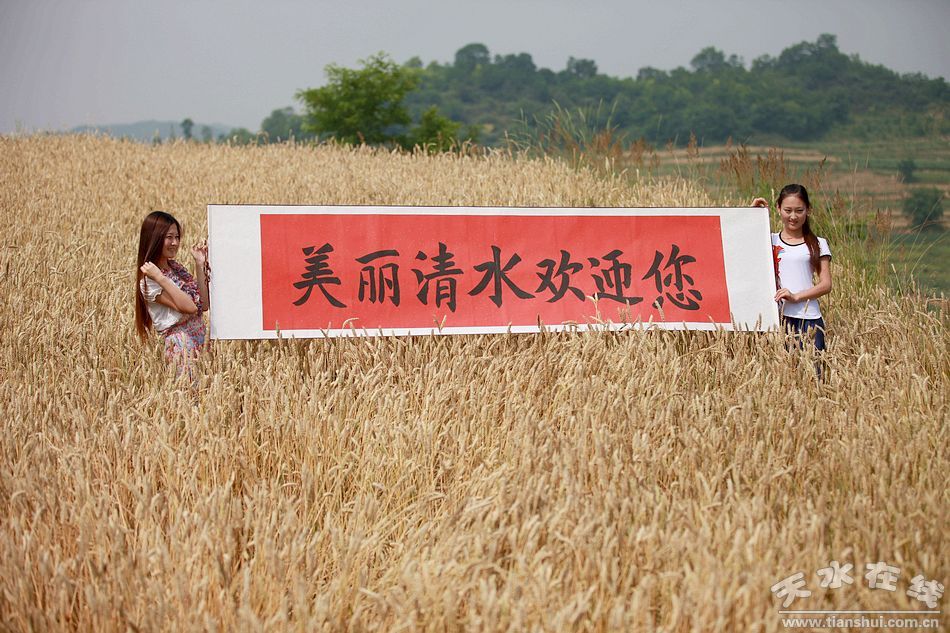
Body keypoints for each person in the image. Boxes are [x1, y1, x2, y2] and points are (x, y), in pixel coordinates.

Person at [752, 184, 832, 352]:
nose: (793, 216)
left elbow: (826, 285)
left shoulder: (818, 243)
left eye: (799, 210)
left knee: (813, 368)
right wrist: (753, 215)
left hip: (809, 319)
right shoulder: (769, 240)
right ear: (778, 208)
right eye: (787, 210)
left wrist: (796, 296)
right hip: (775, 319)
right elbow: (740, 247)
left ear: (808, 210)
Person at [134, 211, 209, 376]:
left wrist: (199, 264)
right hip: (182, 347)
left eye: (177, 237)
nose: (175, 243)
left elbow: (203, 305)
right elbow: (190, 307)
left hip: (201, 341)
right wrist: (160, 277)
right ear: (154, 238)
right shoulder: (149, 281)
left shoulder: (176, 269)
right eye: (169, 237)